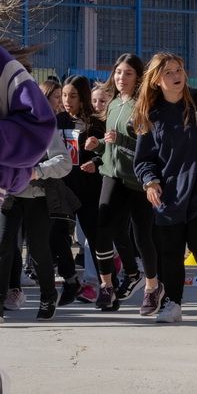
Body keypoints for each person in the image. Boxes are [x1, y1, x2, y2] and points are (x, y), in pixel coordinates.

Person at [133, 53, 197, 322]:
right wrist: (150, 182)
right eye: (169, 73)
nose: (176, 76)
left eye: (179, 70)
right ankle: (172, 303)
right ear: (156, 81)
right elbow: (144, 159)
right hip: (169, 192)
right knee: (170, 251)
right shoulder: (152, 114)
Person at [84, 54, 158, 311]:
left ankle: (151, 287)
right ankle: (107, 287)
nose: (121, 78)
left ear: (138, 77)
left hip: (137, 181)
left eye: (127, 73)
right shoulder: (113, 103)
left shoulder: (143, 105)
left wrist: (120, 141)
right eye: (118, 72)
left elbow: (148, 147)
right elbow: (111, 142)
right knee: (102, 230)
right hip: (111, 175)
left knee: (141, 236)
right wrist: (98, 150)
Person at [0, 41, 59, 325]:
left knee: (37, 250)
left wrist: (31, 172)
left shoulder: (48, 120)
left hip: (37, 195)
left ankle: (49, 296)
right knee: (5, 247)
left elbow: (61, 160)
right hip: (13, 195)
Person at [49, 75, 105, 306]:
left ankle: (105, 285)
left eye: (73, 96)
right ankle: (71, 280)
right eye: (64, 95)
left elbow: (108, 153)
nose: (67, 100)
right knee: (57, 235)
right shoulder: (57, 120)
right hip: (63, 189)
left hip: (89, 189)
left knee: (94, 238)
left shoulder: (95, 122)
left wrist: (97, 162)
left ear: (82, 97)